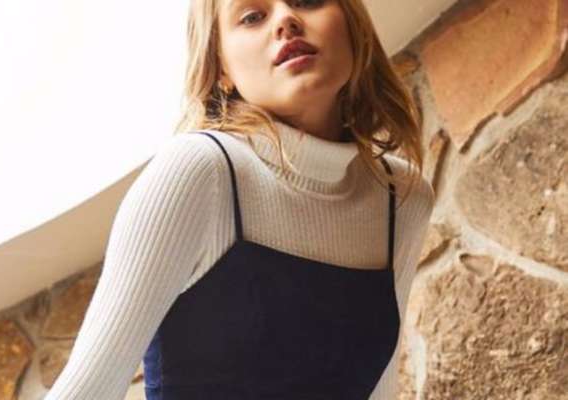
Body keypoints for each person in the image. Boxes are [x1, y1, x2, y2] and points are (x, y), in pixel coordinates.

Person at [44, 0, 435, 398]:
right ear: (222, 69)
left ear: (354, 26)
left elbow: (381, 391)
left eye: (306, 0)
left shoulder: (400, 198)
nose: (286, 20)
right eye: (252, 17)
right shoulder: (201, 170)